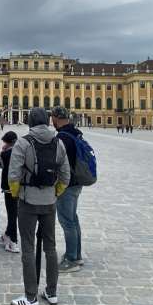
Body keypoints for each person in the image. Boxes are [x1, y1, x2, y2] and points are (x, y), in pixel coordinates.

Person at [7, 107, 70, 305]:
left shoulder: (23, 142)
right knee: (50, 248)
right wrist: (55, 192)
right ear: (47, 121)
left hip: (28, 201)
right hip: (49, 201)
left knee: (28, 247)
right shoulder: (58, 142)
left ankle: (31, 297)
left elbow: (13, 176)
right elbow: (65, 175)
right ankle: (51, 293)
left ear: (30, 121)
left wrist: (18, 195)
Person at [51, 106, 85, 273]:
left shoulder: (62, 137)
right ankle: (77, 255)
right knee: (73, 219)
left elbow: (58, 162)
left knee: (67, 221)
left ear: (56, 118)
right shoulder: (76, 132)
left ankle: (71, 259)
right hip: (77, 182)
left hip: (67, 184)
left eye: (52, 118)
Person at [0, 131, 20, 253]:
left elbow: (1, 166)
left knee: (12, 214)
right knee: (14, 213)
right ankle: (7, 236)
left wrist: (2, 152)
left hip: (8, 187)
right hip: (17, 186)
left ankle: (13, 240)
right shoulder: (19, 152)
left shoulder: (5, 154)